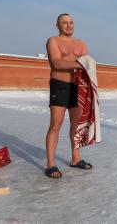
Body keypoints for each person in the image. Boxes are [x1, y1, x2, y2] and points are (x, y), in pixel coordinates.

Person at [45, 13, 93, 178]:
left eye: (71, 22)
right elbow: (56, 63)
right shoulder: (53, 41)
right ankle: (50, 164)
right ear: (57, 25)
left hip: (78, 86)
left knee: (76, 124)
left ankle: (75, 158)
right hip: (60, 85)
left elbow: (87, 65)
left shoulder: (81, 43)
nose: (68, 25)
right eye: (64, 22)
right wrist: (80, 64)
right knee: (55, 124)